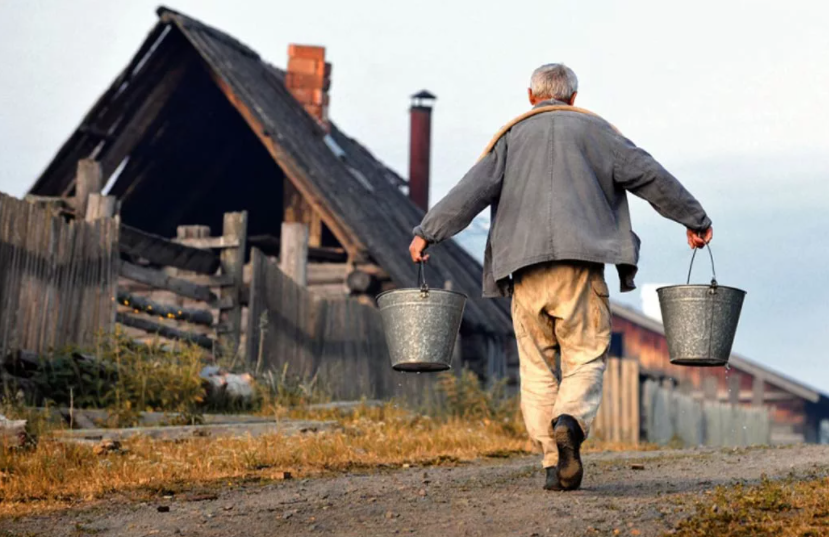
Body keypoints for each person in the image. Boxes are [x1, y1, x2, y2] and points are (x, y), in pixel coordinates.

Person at [408, 63, 712, 491]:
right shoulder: (599, 133)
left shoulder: (509, 139)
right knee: (584, 357)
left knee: (535, 370)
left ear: (531, 97)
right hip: (580, 269)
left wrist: (427, 233)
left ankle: (554, 464)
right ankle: (569, 421)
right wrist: (693, 218)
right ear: (573, 97)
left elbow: (468, 192)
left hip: (524, 270)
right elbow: (649, 174)